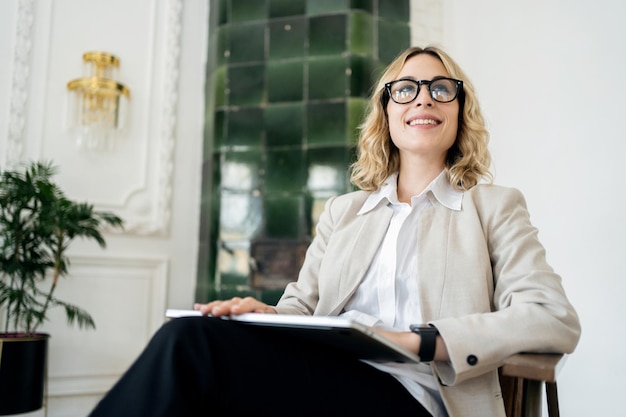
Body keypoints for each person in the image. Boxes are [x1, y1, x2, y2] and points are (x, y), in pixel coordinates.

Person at [88, 46, 581, 417]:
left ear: (459, 110)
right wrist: (265, 315)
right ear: (387, 114)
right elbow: (299, 309)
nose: (423, 98)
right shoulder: (344, 212)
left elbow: (552, 317)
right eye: (405, 89)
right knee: (191, 335)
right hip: (329, 379)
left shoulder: (492, 207)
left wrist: (420, 341)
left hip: (423, 398)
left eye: (440, 88)